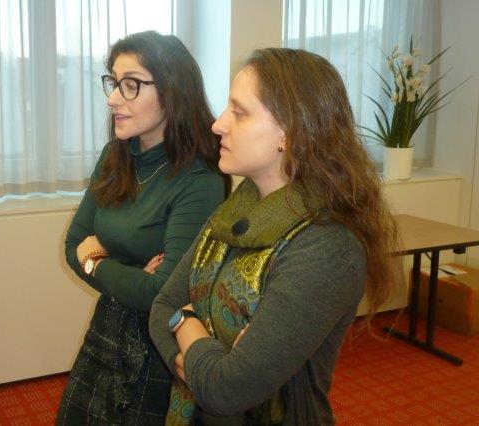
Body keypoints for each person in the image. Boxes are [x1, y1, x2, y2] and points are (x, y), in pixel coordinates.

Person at [149, 48, 399, 425]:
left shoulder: (327, 245)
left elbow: (227, 389)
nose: (218, 125)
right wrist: (202, 352)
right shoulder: (234, 210)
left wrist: (184, 323)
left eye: (239, 112)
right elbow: (162, 307)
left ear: (289, 132)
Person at [57, 31, 229, 425]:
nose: (112, 99)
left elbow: (160, 293)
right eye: (114, 82)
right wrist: (131, 274)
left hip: (156, 347)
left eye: (131, 85)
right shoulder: (115, 156)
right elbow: (72, 244)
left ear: (172, 91)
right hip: (106, 329)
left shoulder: (200, 177)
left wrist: (95, 260)